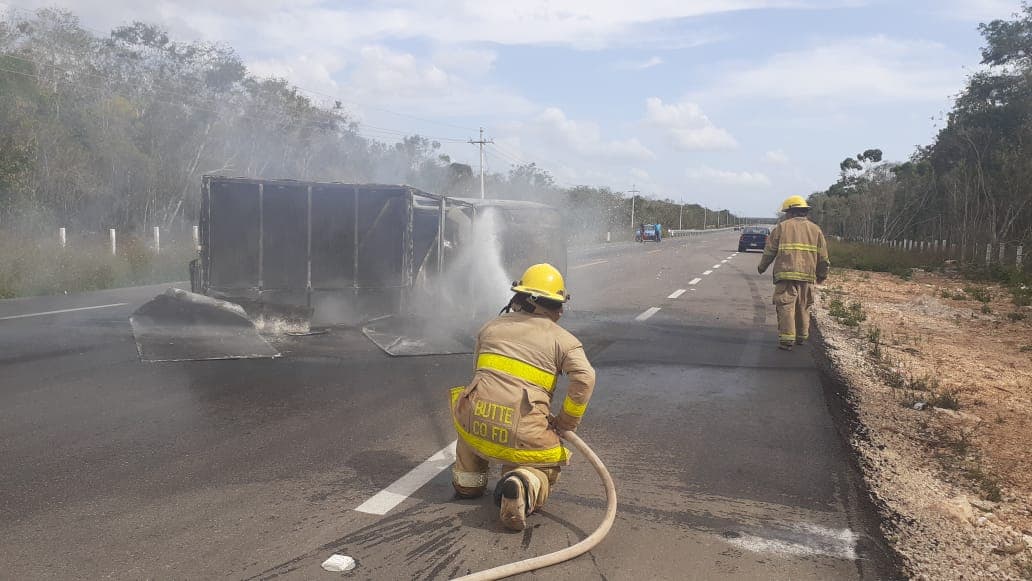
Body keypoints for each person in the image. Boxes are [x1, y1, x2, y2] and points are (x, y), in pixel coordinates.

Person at [449, 263, 596, 531]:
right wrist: (565, 422)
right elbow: (585, 378)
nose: (561, 311)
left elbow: (479, 374)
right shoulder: (564, 341)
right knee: (544, 466)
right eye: (556, 304)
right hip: (521, 430)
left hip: (474, 420)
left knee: (470, 424)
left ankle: (467, 484)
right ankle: (522, 484)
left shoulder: (490, 327)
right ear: (537, 303)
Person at [757, 195, 830, 351]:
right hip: (807, 276)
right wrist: (822, 274)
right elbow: (823, 257)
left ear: (790, 212)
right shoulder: (816, 230)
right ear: (805, 212)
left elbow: (770, 251)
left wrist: (762, 267)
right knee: (804, 306)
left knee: (786, 306)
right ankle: (801, 337)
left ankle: (786, 340)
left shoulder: (782, 227)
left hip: (786, 274)